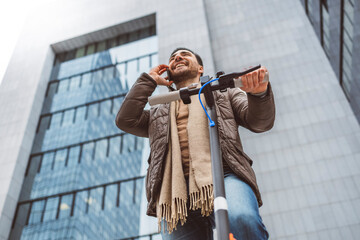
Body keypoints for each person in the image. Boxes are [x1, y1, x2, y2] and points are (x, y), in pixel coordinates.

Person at [115, 47, 275, 240]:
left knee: (243, 219)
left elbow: (260, 123)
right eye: (173, 58)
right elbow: (125, 120)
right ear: (169, 76)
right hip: (175, 191)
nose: (178, 57)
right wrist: (148, 81)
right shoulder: (159, 110)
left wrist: (258, 94)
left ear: (200, 68)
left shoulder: (222, 93)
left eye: (185, 55)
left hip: (226, 174)